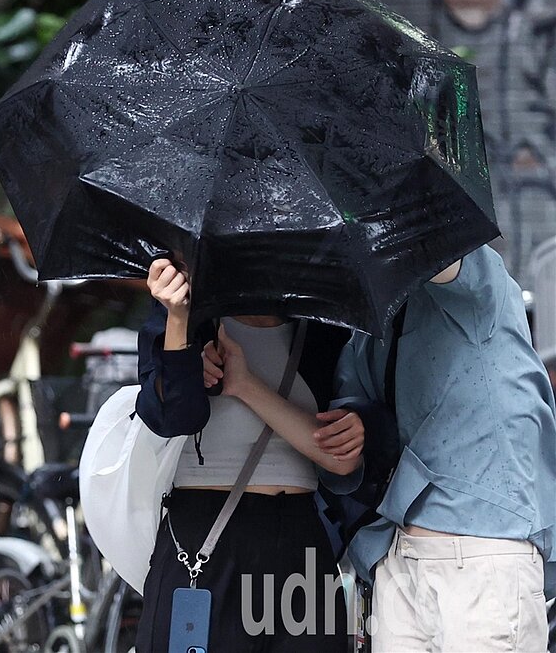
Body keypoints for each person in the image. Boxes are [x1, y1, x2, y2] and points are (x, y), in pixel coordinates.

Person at [133, 258, 366, 653]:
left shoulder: (324, 320)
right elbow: (173, 416)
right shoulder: (191, 310)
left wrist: (359, 428)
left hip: (301, 541)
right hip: (206, 536)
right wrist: (178, 321)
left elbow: (342, 453)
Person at [335, 245, 556, 652]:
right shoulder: (365, 332)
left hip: (484, 550)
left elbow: (438, 247)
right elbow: (340, 442)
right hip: (397, 556)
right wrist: (355, 429)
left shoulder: (476, 273)